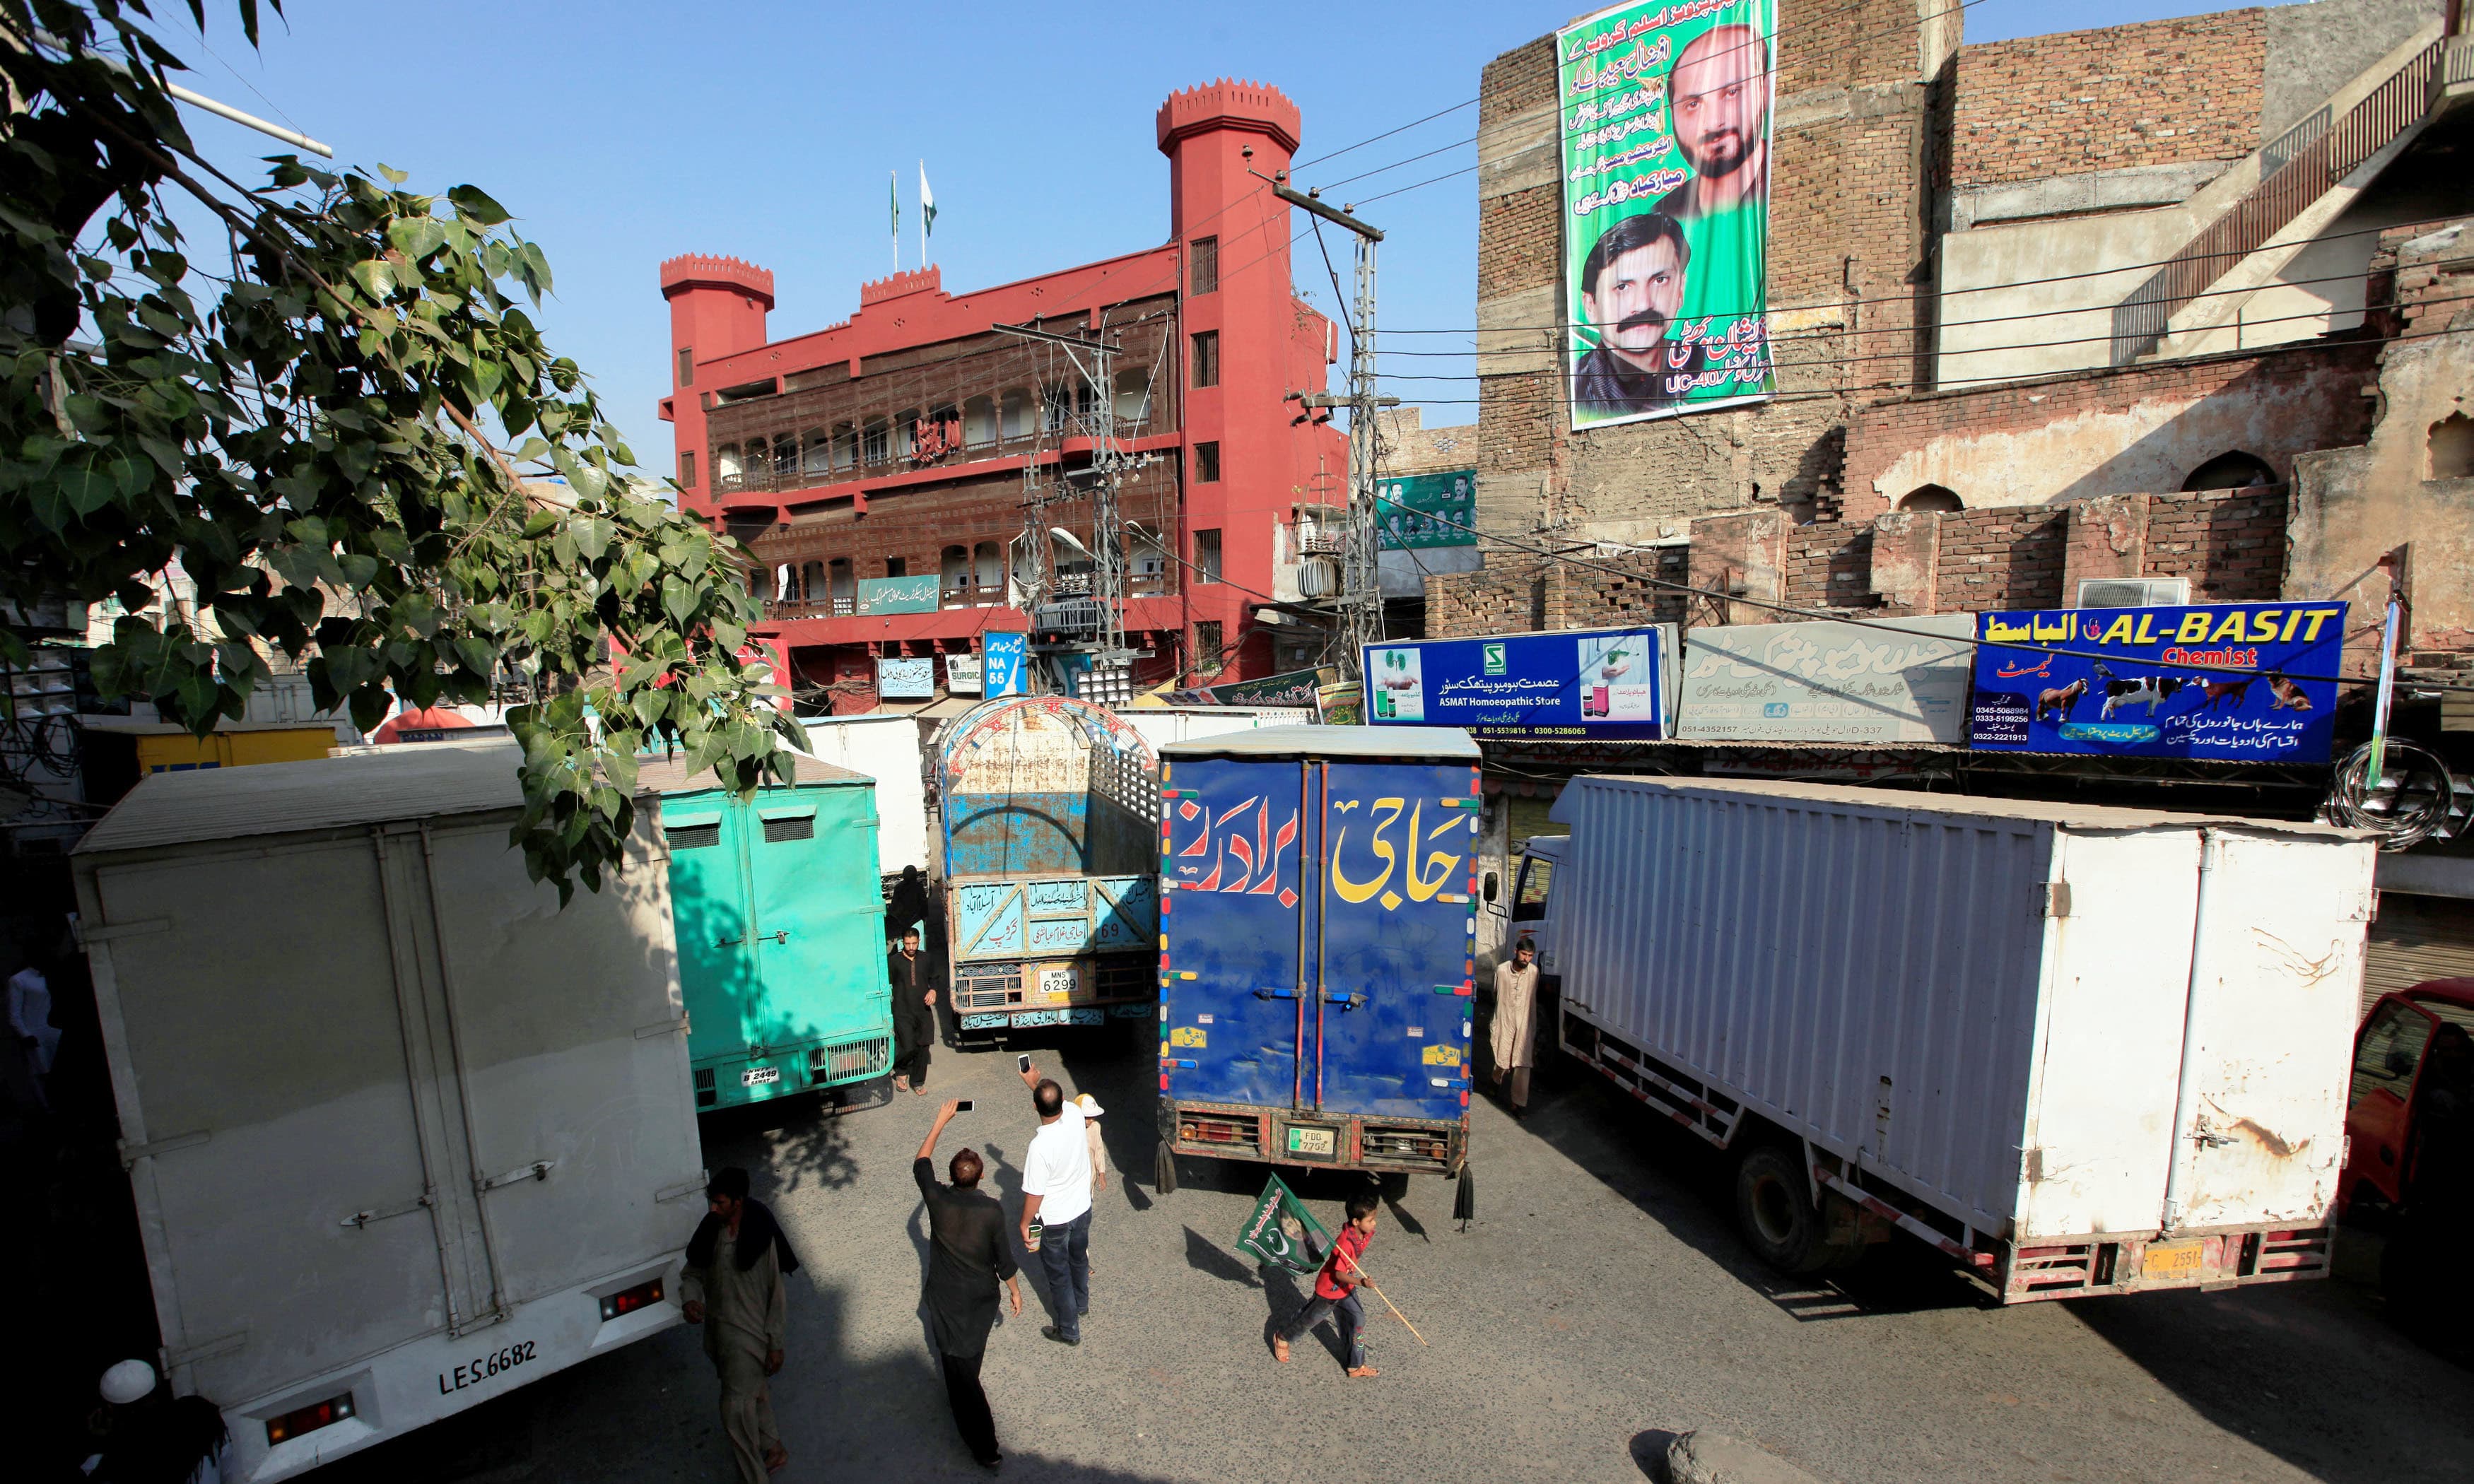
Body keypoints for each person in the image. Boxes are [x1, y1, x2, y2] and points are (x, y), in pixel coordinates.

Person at [915, 1098, 1025, 1471]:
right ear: (980, 1178)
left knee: (957, 1367)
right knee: (968, 1364)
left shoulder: (937, 1199)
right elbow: (1004, 1261)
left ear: (951, 1177)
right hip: (980, 1301)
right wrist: (1014, 1290)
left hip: (945, 1299)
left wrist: (940, 1121)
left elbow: (920, 1163)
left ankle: (981, 1439)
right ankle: (983, 1440)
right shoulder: (991, 1210)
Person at [681, 1167, 797, 1482]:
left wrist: (775, 1344)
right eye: (711, 1202)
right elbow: (692, 1273)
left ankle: (754, 1477)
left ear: (738, 1202)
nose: (712, 1209)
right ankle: (774, 1449)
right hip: (720, 1335)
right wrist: (691, 1300)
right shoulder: (710, 1231)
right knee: (754, 1393)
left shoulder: (760, 1237)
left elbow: (776, 1295)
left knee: (734, 1410)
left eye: (719, 1203)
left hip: (750, 1339)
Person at [1571, 213, 1708, 417]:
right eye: (1623, 287)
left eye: (1660, 280)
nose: (1643, 304)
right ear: (1591, 306)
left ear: (1680, 289)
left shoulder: (1708, 364)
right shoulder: (1578, 388)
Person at [1653, 22, 1772, 220]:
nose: (1714, 122)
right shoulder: (1663, 216)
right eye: (1693, 105)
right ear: (1672, 114)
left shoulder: (1785, 177)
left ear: (1765, 90)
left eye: (1732, 93)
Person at [1016, 1059, 1094, 1345]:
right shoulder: (1073, 1113)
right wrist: (1035, 1082)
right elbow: (1053, 1098)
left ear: (1035, 1108)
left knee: (1058, 1275)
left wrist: (1025, 1223)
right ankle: (1082, 1304)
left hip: (1056, 1221)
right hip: (1082, 1209)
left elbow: (1035, 1194)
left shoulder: (1039, 1147)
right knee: (1078, 1259)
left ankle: (1069, 1329)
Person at [1272, 1186, 1382, 1378]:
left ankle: (1355, 1365)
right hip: (1330, 1290)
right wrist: (1361, 1282)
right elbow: (1339, 1274)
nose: (1375, 1224)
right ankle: (1282, 1338)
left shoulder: (1364, 1234)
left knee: (1358, 1319)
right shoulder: (1345, 1243)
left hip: (1345, 1289)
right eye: (1370, 1220)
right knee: (1308, 1320)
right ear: (1356, 1221)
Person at [81, 1358, 230, 1483]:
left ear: (112, 1410)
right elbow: (227, 1463)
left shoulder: (114, 1461)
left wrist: (98, 1443)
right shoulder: (200, 1412)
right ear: (157, 1384)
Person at [1488, 939, 1542, 1114]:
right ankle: (1496, 1081)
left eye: (1530, 956)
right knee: (1502, 1060)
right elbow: (1495, 993)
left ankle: (1517, 1104)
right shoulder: (1502, 971)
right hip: (1505, 1020)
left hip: (1525, 1024)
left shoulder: (1534, 973)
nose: (1527, 959)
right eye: (1524, 954)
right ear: (1515, 951)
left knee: (1522, 1063)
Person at [890, 927, 935, 1094]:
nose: (910, 947)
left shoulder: (926, 958)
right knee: (908, 1046)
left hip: (923, 1011)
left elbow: (934, 978)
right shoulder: (894, 961)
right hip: (902, 1011)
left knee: (924, 1047)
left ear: (919, 942)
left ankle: (917, 1081)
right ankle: (901, 1071)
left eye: (914, 943)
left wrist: (933, 990)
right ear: (903, 942)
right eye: (907, 943)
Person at [10, 948, 58, 1103]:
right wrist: (25, 1034)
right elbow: (15, 1013)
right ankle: (49, 1106)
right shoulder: (19, 980)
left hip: (55, 1030)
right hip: (35, 1033)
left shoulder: (52, 974)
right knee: (43, 1072)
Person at [885, 865, 930, 944]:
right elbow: (924, 904)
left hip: (901, 920)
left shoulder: (899, 887)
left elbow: (894, 906)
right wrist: (925, 918)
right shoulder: (918, 887)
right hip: (915, 919)